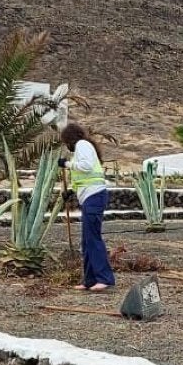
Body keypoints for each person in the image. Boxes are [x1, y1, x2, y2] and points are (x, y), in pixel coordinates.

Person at [61, 122, 115, 292]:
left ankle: (104, 278)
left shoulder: (82, 145)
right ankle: (89, 280)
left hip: (94, 196)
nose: (66, 146)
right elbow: (83, 177)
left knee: (93, 238)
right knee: (86, 241)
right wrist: (71, 191)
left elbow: (86, 167)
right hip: (89, 197)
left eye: (65, 142)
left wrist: (66, 164)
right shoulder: (82, 148)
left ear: (70, 139)